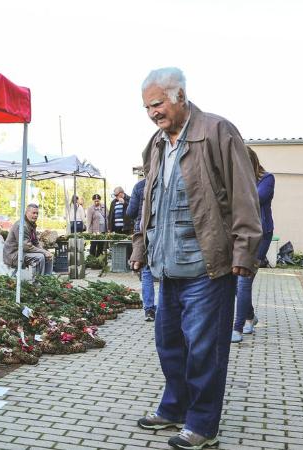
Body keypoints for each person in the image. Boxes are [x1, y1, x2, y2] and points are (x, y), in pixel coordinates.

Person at [131, 67, 261, 449]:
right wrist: (141, 248)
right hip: (167, 265)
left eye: (157, 104)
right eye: (147, 107)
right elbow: (149, 204)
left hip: (207, 265)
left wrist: (245, 250)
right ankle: (174, 408)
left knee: (205, 349)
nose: (153, 113)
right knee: (169, 344)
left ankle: (203, 424)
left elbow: (244, 194)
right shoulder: (156, 144)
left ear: (180, 96)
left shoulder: (218, 132)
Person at [232, 147, 275, 344]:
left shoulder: (266, 179)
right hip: (238, 234)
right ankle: (250, 316)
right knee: (235, 283)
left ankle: (237, 328)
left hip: (260, 234)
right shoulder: (233, 178)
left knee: (243, 280)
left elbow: (255, 199)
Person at [127, 177, 160, 322]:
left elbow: (130, 211)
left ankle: (149, 309)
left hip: (142, 232)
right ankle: (165, 309)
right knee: (165, 271)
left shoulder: (139, 185)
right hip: (160, 230)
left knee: (146, 271)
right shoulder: (164, 179)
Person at [3, 203, 53, 276]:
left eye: (37, 213)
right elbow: (26, 246)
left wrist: (45, 252)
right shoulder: (22, 226)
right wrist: (43, 252)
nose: (36, 215)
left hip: (22, 252)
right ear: (27, 213)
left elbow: (35, 243)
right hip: (13, 255)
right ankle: (37, 284)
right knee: (40, 257)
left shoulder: (31, 224)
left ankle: (47, 281)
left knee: (49, 256)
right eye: (33, 213)